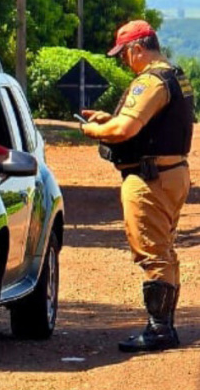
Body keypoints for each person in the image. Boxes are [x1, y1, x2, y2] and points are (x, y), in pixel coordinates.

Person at [80, 19, 194, 353]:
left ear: (136, 48)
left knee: (153, 253)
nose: (124, 62)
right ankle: (165, 325)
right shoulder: (175, 75)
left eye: (124, 55)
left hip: (150, 178)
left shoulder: (151, 81)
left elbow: (125, 130)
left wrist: (95, 131)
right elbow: (149, 122)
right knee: (165, 250)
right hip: (171, 172)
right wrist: (108, 117)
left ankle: (159, 330)